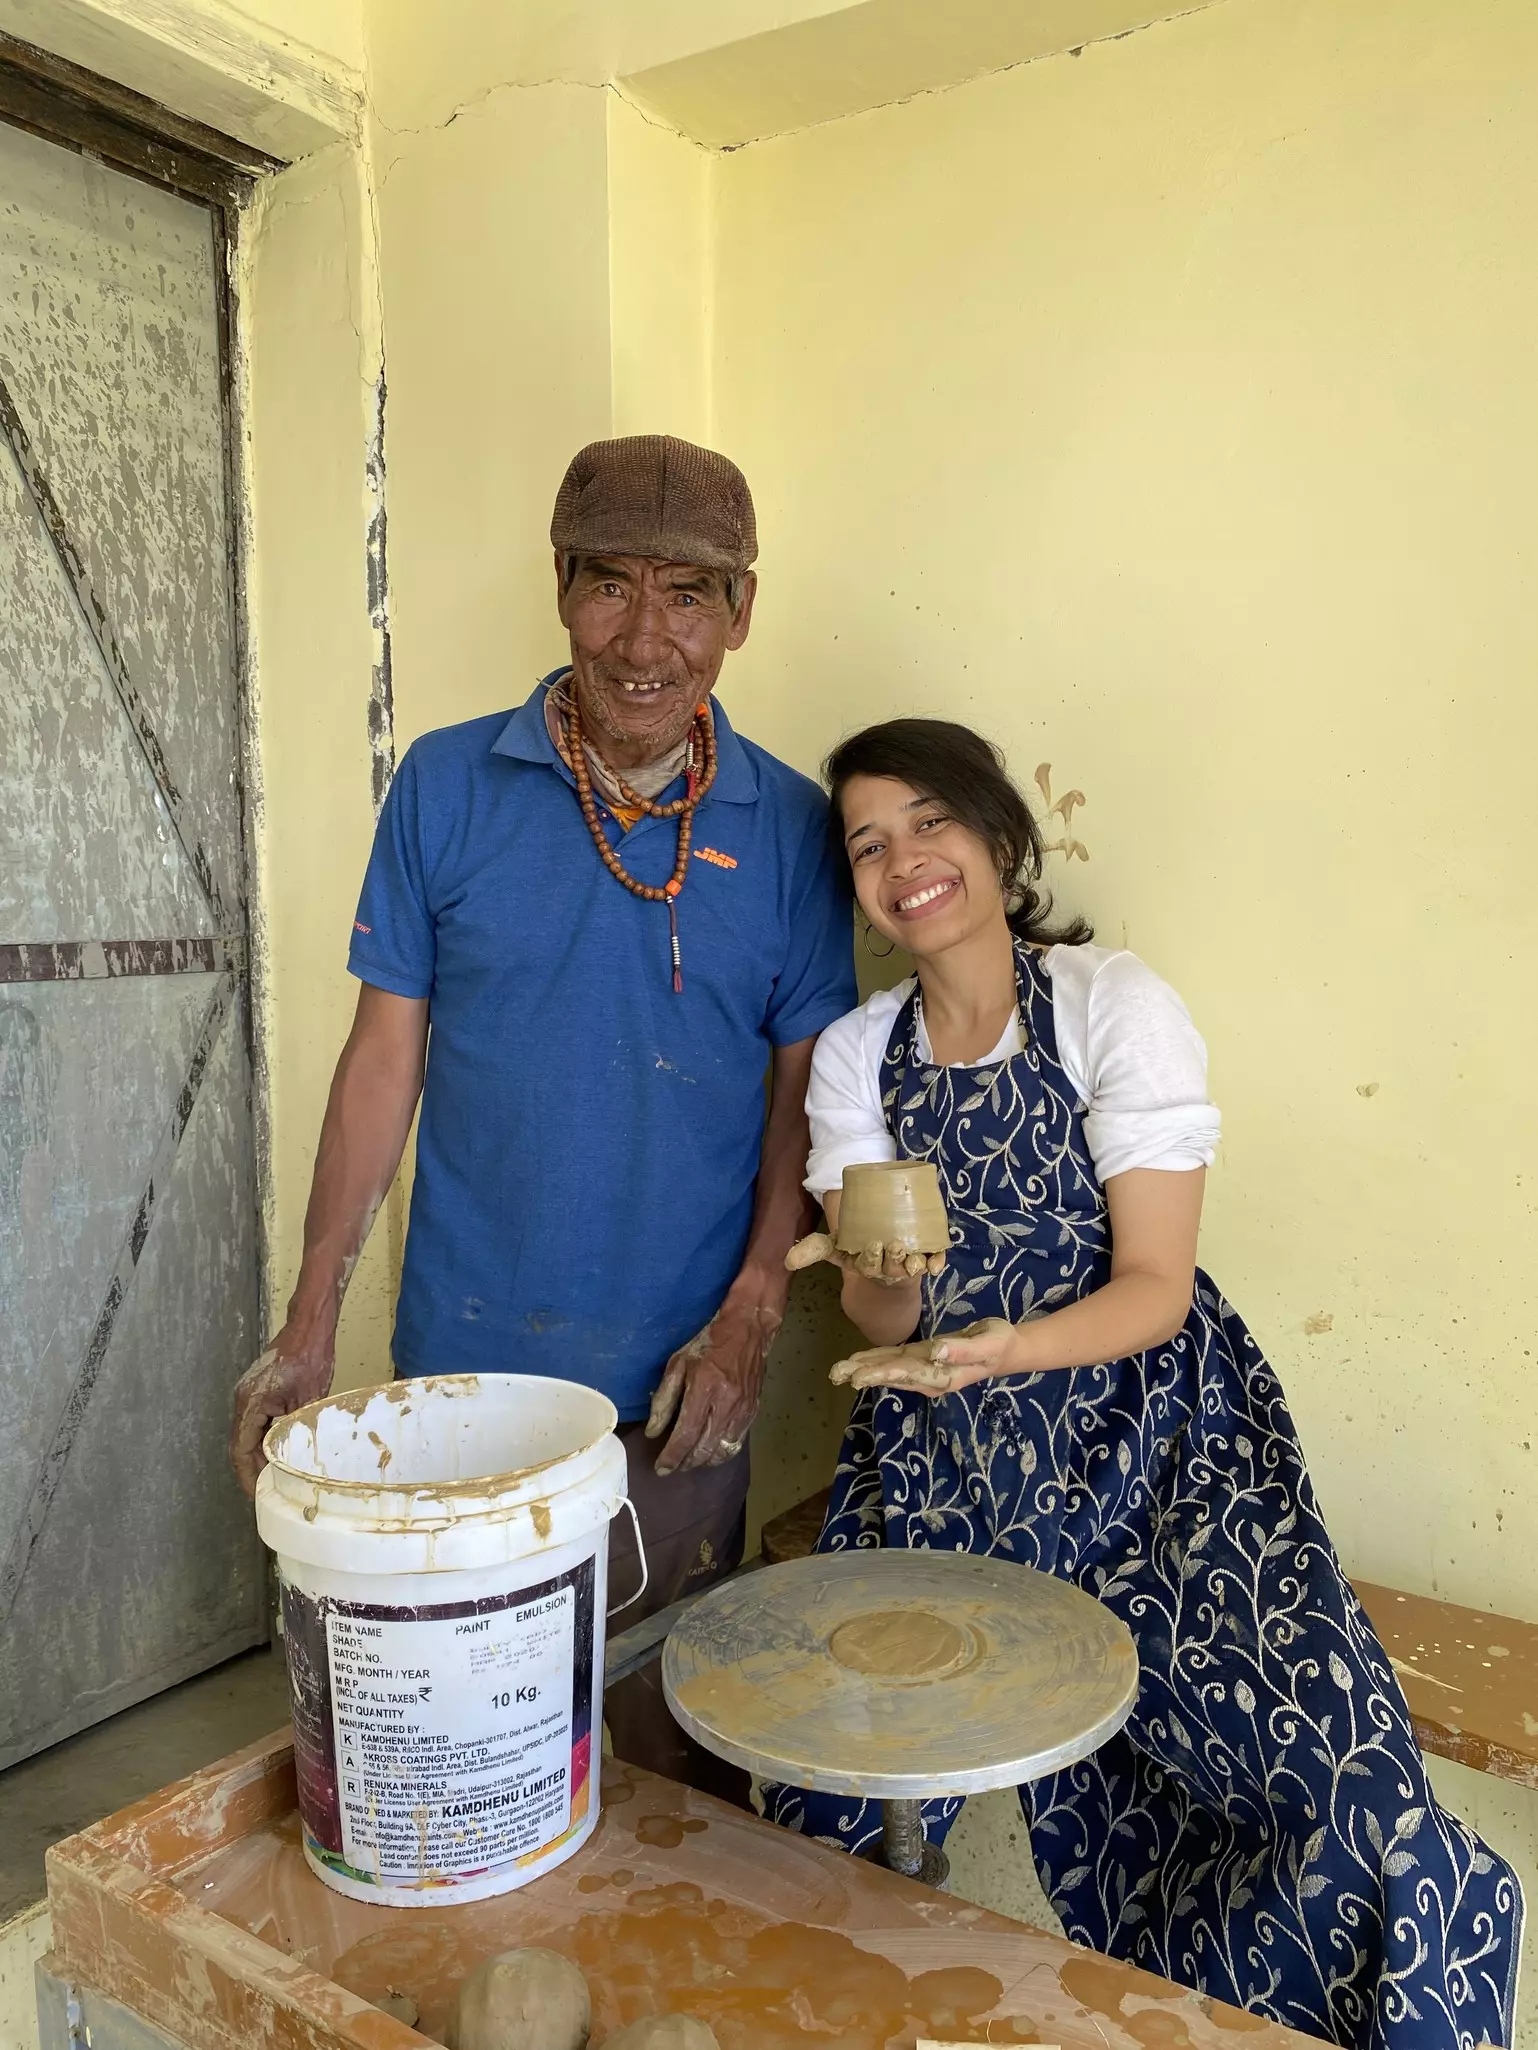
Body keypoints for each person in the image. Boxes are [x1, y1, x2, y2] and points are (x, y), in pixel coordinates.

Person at [777, 718, 1520, 2049]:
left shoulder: (1106, 1004)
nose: (904, 861)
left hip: (1161, 1444)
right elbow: (885, 1313)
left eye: (931, 821)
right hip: (951, 1460)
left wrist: (1007, 1348)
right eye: (868, 844)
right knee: (821, 1784)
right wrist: (879, 1273)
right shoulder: (856, 1056)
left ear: (998, 837)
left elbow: (1155, 1286)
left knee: (1334, 1774)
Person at [230, 435, 855, 1804]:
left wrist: (754, 1310)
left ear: (741, 613)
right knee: (466, 1759)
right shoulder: (445, 785)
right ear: (560, 589)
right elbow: (380, 1061)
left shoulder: (793, 827)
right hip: (465, 1393)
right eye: (609, 586)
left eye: (688, 594)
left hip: (678, 1397)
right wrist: (308, 1319)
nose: (644, 638)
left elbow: (802, 1097)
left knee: (676, 1771)